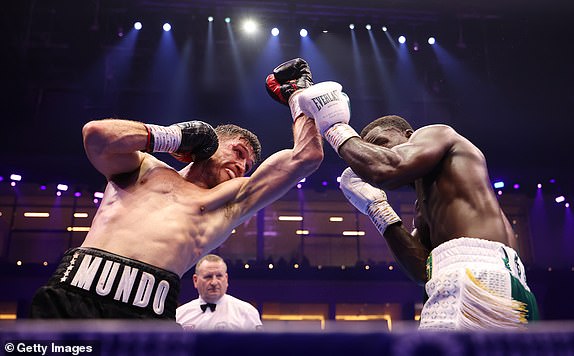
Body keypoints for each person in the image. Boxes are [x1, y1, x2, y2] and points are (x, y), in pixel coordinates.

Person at [29, 58, 323, 320]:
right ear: (212, 143)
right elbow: (96, 136)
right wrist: (173, 137)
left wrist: (299, 97)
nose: (242, 165)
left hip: (147, 309)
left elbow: (306, 157)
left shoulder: (230, 202)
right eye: (237, 152)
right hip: (75, 291)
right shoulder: (145, 168)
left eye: (247, 164)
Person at [294, 80, 539, 330]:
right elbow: (424, 271)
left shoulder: (437, 133)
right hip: (499, 284)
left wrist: (334, 126)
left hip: (475, 277)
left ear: (408, 136)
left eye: (380, 143)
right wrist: (377, 209)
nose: (373, 153)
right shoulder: (427, 207)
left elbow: (387, 167)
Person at [176, 254, 262, 330]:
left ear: (226, 279)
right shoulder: (180, 314)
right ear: (195, 280)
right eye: (208, 276)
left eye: (219, 276)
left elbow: (258, 346)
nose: (214, 282)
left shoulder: (246, 312)